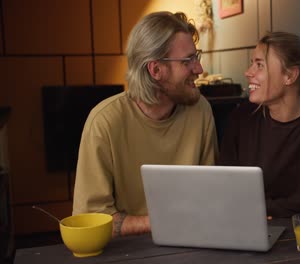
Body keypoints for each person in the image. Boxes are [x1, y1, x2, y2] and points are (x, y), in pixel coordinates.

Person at [73, 12, 218, 237]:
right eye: (187, 61)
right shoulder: (104, 122)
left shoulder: (201, 110)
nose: (198, 69)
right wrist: (160, 222)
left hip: (193, 240)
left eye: (196, 56)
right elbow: (92, 219)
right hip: (127, 249)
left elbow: (211, 196)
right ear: (156, 70)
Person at [218, 31, 300, 218]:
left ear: (290, 76)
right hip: (249, 225)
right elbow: (226, 185)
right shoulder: (241, 117)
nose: (248, 72)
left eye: (259, 65)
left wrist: (263, 209)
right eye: (252, 63)